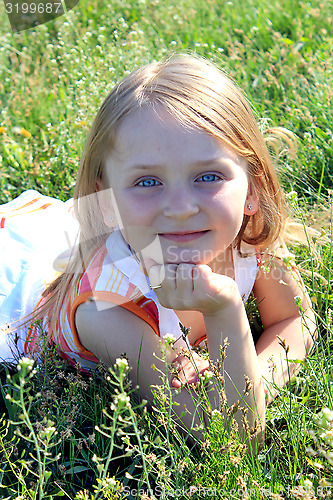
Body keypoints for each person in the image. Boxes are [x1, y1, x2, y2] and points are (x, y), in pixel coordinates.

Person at [0, 54, 316, 443]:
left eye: (208, 176)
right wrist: (225, 310)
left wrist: (256, 377)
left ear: (250, 189)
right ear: (109, 199)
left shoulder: (245, 236)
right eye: (148, 182)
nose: (181, 208)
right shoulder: (110, 309)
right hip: (15, 294)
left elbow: (295, 321)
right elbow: (229, 434)